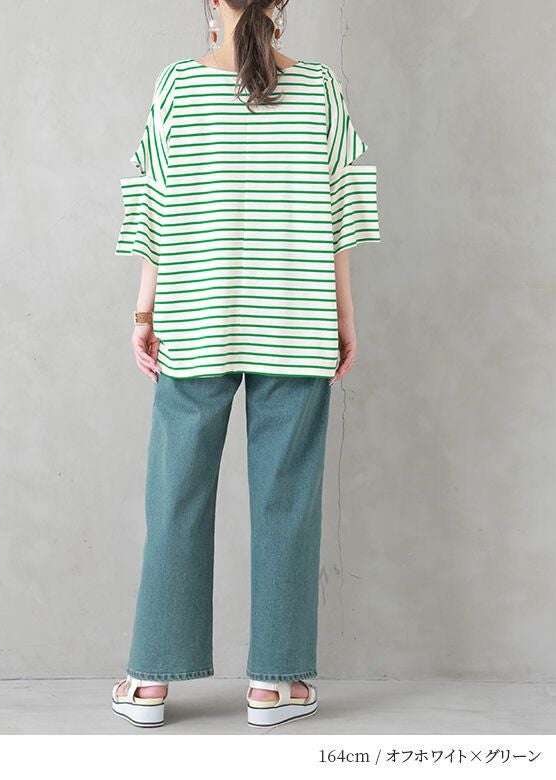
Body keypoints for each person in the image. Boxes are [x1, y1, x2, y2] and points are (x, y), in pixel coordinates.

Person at [110, 0, 381, 728]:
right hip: (296, 319)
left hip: (196, 319)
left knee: (176, 496)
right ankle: (274, 685)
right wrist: (343, 315)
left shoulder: (178, 84)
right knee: (286, 501)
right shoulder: (320, 88)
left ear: (210, 4)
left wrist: (144, 313)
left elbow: (153, 204)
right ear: (281, 6)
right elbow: (342, 210)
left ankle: (148, 682)